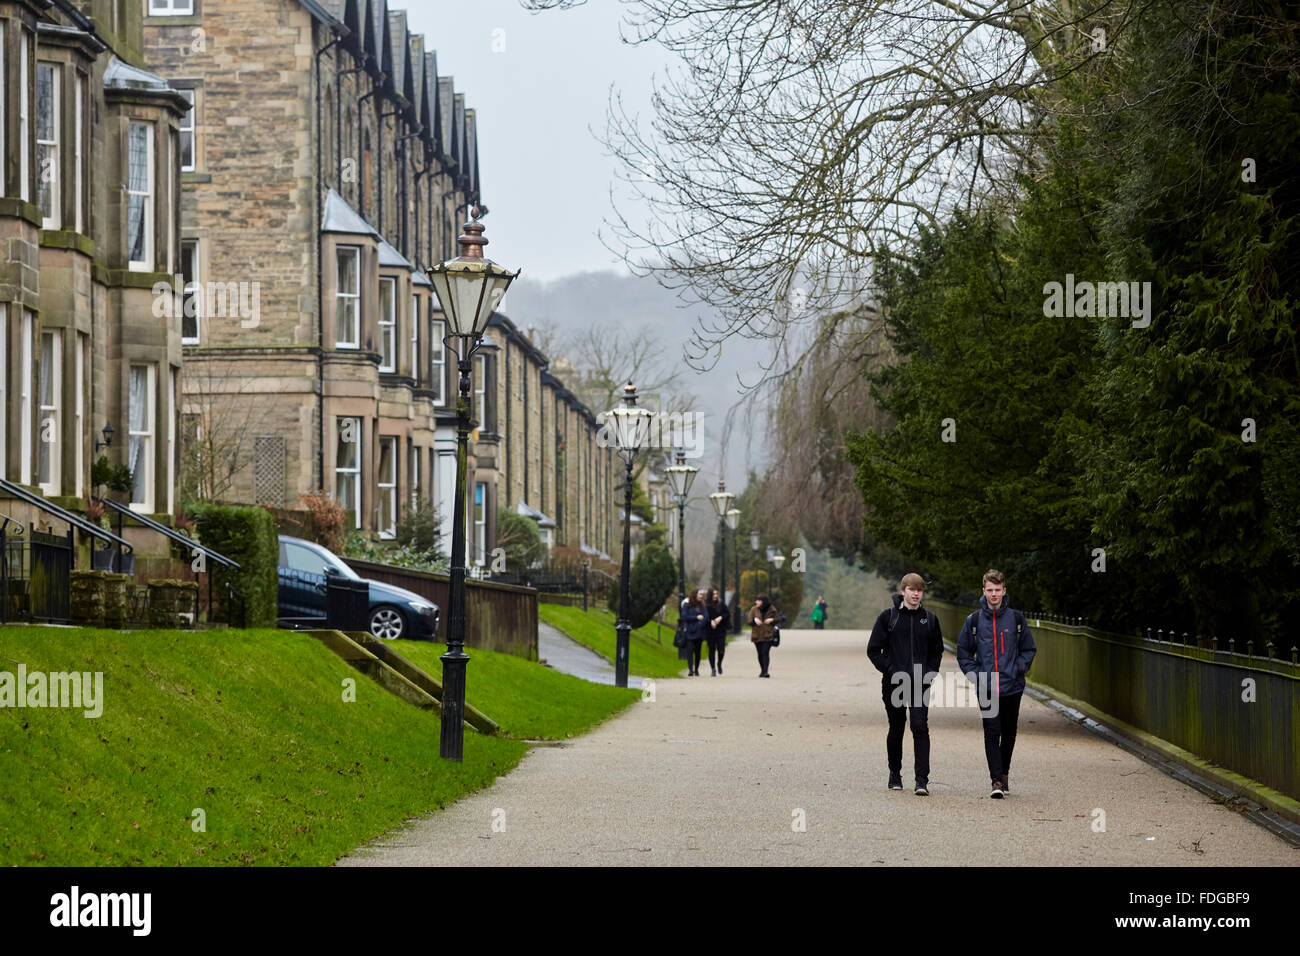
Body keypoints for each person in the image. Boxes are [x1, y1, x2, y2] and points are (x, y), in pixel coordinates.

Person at [957, 569, 1037, 799]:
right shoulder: (973, 620)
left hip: (1012, 685)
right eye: (990, 590)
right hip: (987, 686)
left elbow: (1029, 649)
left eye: (997, 590)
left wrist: (1017, 668)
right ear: (983, 591)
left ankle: (1004, 773)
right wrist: (976, 676)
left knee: (1009, 732)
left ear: (1004, 591)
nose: (994, 594)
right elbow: (964, 653)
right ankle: (996, 781)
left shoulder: (1016, 619)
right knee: (992, 731)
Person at [866, 573, 943, 796]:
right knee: (897, 727)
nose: (916, 593)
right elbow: (873, 650)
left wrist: (930, 673)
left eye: (919, 590)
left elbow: (937, 650)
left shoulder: (929, 619)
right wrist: (890, 669)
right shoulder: (888, 617)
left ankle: (921, 780)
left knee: (920, 727)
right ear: (903, 591)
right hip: (894, 683)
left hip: (920, 682)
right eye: (912, 589)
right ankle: (895, 773)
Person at [748, 595, 779, 678]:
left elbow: (778, 619)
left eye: (758, 600)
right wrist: (754, 620)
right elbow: (749, 621)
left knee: (765, 652)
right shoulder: (753, 609)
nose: (756, 602)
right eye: (756, 600)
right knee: (760, 653)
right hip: (757, 635)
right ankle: (762, 670)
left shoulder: (772, 609)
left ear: (763, 602)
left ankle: (765, 671)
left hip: (768, 634)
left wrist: (771, 620)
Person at [679, 589, 708, 676]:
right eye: (699, 594)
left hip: (699, 632)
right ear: (695, 595)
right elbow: (684, 616)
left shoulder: (702, 606)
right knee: (689, 651)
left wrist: (700, 624)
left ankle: (696, 669)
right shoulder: (687, 605)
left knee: (698, 652)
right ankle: (690, 670)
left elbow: (706, 617)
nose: (701, 596)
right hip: (689, 632)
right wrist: (696, 617)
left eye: (701, 595)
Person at [705, 587, 729, 675]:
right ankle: (713, 669)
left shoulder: (721, 603)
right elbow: (704, 616)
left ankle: (719, 663)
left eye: (716, 594)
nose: (715, 596)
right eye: (713, 594)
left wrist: (721, 617)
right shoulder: (706, 605)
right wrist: (710, 621)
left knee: (721, 649)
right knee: (711, 650)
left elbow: (727, 613)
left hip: (720, 630)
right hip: (710, 630)